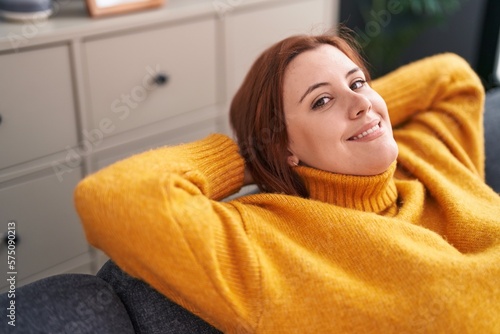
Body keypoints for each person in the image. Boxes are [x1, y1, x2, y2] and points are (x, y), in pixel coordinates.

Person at [3, 30, 500, 333]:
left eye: (358, 82)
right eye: (320, 101)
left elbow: (453, 76)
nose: (361, 102)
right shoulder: (269, 239)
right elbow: (112, 197)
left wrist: (355, 107)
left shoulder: (429, 151)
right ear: (284, 146)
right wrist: (249, 158)